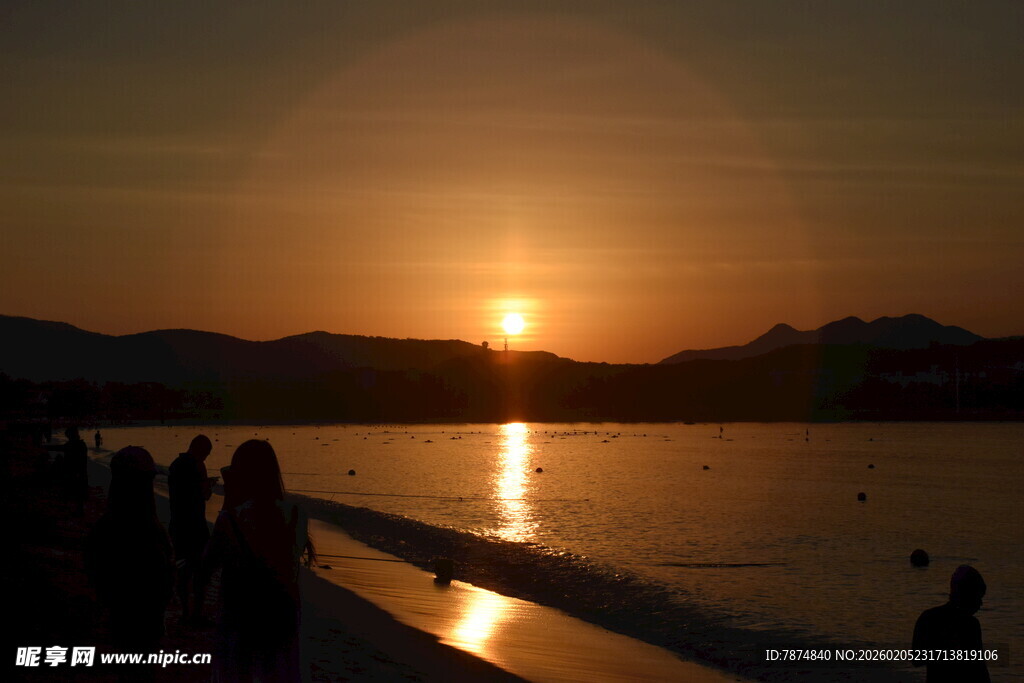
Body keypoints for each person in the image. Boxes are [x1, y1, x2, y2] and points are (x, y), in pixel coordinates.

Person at [203, 440, 314, 682]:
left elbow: (208, 566)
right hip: (282, 609)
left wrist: (230, 496)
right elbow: (291, 559)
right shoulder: (296, 514)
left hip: (239, 611)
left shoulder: (230, 518)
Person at [84, 446, 174, 652]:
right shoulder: (151, 530)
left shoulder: (105, 527)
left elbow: (94, 572)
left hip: (120, 617)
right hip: (143, 620)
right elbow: (164, 581)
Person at [912, 565, 991, 682]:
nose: (980, 604)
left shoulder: (928, 617)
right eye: (977, 597)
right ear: (966, 596)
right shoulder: (970, 625)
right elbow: (980, 671)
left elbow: (917, 660)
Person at [168, 434, 214, 624]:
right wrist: (209, 485)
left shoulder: (175, 464)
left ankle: (186, 611)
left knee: (183, 570)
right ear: (201, 450)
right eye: (206, 454)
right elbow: (204, 495)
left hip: (177, 522)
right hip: (195, 524)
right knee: (201, 571)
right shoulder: (197, 465)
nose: (206, 458)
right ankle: (196, 612)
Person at [48, 426, 89, 515]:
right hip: (76, 471)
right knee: (75, 492)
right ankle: (74, 508)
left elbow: (81, 460)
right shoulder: (79, 444)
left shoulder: (75, 445)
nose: (68, 437)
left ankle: (74, 508)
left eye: (68, 435)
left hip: (75, 471)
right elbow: (61, 448)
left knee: (73, 491)